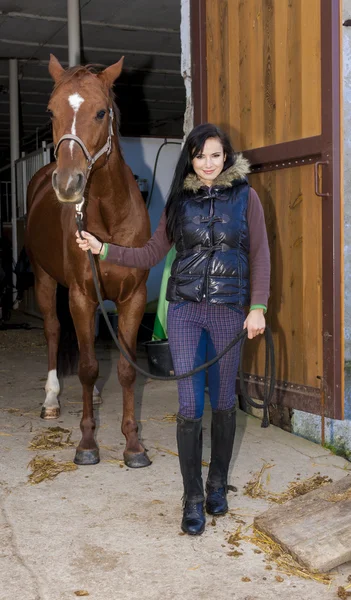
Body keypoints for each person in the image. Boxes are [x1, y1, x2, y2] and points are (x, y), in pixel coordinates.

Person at [76, 123, 270, 536]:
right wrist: (103, 248)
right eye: (200, 156)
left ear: (227, 156)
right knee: (187, 407)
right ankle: (193, 497)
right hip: (184, 312)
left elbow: (261, 254)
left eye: (215, 155)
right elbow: (152, 252)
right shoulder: (179, 201)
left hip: (228, 312)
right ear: (191, 158)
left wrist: (257, 307)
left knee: (221, 402)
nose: (208, 164)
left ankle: (218, 483)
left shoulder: (247, 198)